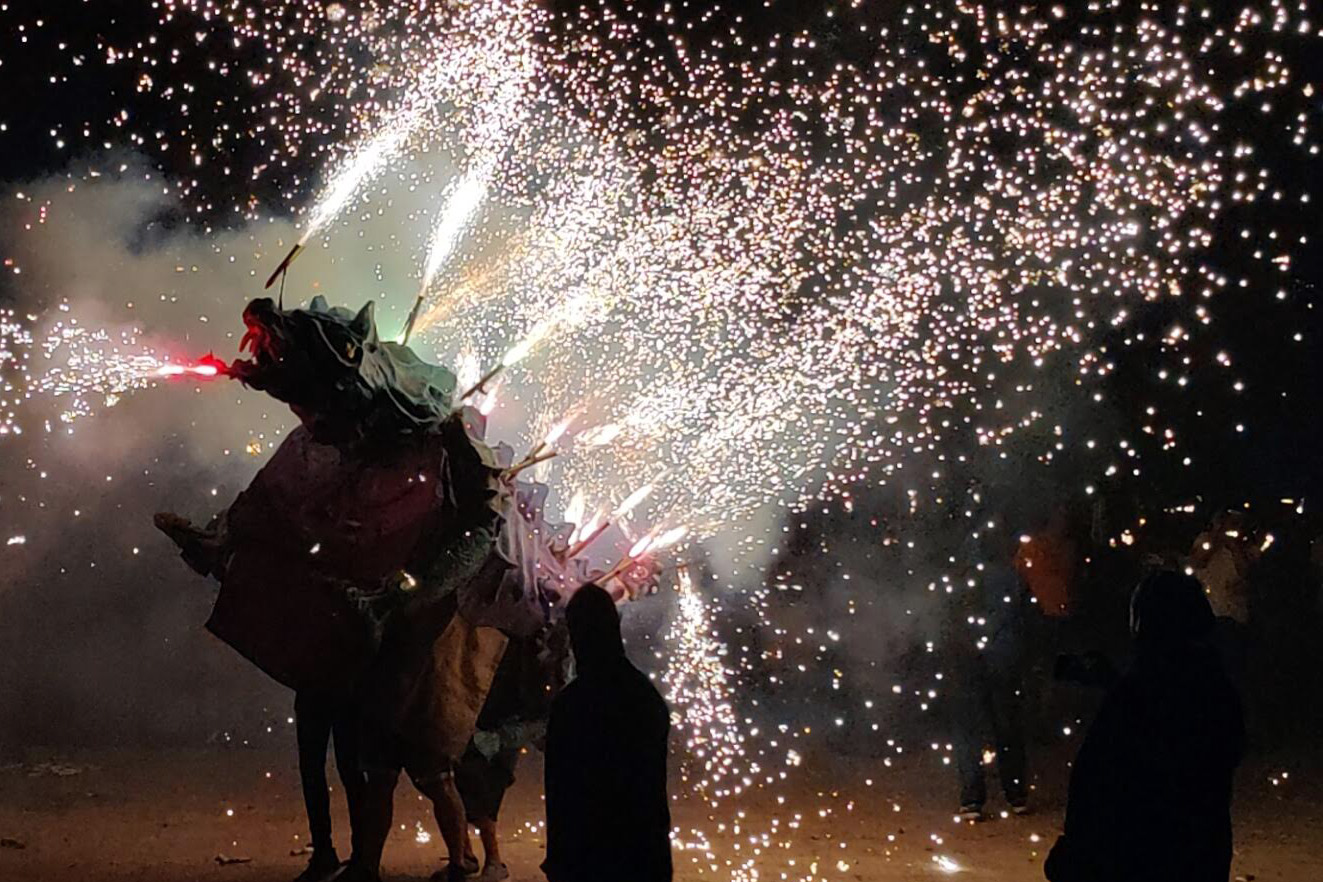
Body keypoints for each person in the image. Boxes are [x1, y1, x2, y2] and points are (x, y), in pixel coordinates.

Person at [1045, 571, 1244, 882]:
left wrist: (1073, 855)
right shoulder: (1216, 687)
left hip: (1141, 856)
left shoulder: (1138, 697)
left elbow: (1100, 782)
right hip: (1202, 852)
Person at [542, 584, 672, 882]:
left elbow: (560, 794)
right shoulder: (645, 696)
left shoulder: (572, 704)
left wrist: (559, 859)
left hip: (588, 858)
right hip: (643, 857)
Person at [454, 623, 570, 881]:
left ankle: (490, 860)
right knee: (466, 780)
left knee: (486, 784)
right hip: (492, 711)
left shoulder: (542, 637)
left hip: (515, 717)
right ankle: (467, 855)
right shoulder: (504, 628)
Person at [949, 526, 1032, 821]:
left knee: (970, 726)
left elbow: (955, 616)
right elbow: (1022, 619)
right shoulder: (1013, 577)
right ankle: (1016, 794)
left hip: (975, 658)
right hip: (1001, 657)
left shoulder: (966, 579)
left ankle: (973, 798)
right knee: (1006, 724)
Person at [292, 690, 364, 881]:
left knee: (315, 769)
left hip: (324, 687)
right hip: (343, 688)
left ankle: (328, 852)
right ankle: (362, 855)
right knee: (350, 772)